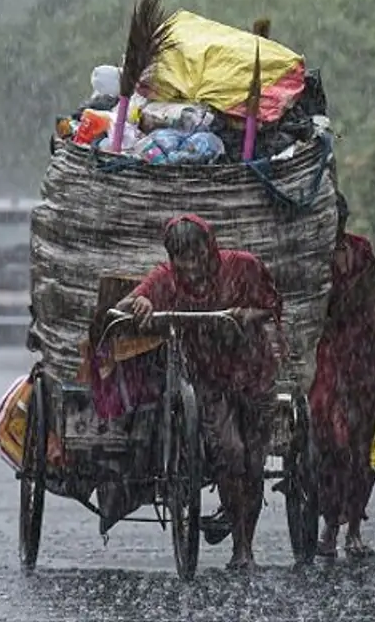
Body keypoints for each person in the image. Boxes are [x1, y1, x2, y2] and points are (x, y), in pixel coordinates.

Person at [114, 214, 283, 571]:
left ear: (210, 247)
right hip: (210, 380)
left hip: (255, 374)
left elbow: (270, 305)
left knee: (254, 460)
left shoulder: (243, 267)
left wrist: (244, 315)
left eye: (197, 255)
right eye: (182, 258)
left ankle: (245, 544)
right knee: (230, 452)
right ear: (172, 258)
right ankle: (240, 546)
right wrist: (141, 304)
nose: (191, 266)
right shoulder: (165, 280)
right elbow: (129, 302)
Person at [308, 191, 375, 559]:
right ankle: (330, 525)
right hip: (330, 353)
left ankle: (352, 531)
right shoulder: (312, 256)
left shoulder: (362, 251)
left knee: (364, 448)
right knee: (334, 442)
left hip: (365, 359)